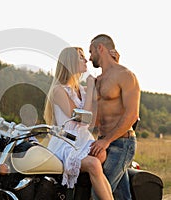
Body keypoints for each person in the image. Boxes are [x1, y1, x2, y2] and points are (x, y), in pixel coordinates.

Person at [44, 47, 113, 200]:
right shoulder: (59, 90)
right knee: (94, 165)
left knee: (100, 154)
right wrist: (90, 91)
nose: (86, 60)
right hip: (66, 143)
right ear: (70, 62)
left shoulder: (81, 89)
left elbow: (92, 120)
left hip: (82, 140)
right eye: (81, 57)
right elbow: (82, 118)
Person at [89, 34, 140, 200]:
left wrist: (107, 140)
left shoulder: (125, 75)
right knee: (120, 196)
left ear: (100, 48)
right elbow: (95, 119)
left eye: (91, 52)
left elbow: (132, 114)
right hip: (102, 144)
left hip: (122, 143)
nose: (90, 58)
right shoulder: (97, 81)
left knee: (99, 195)